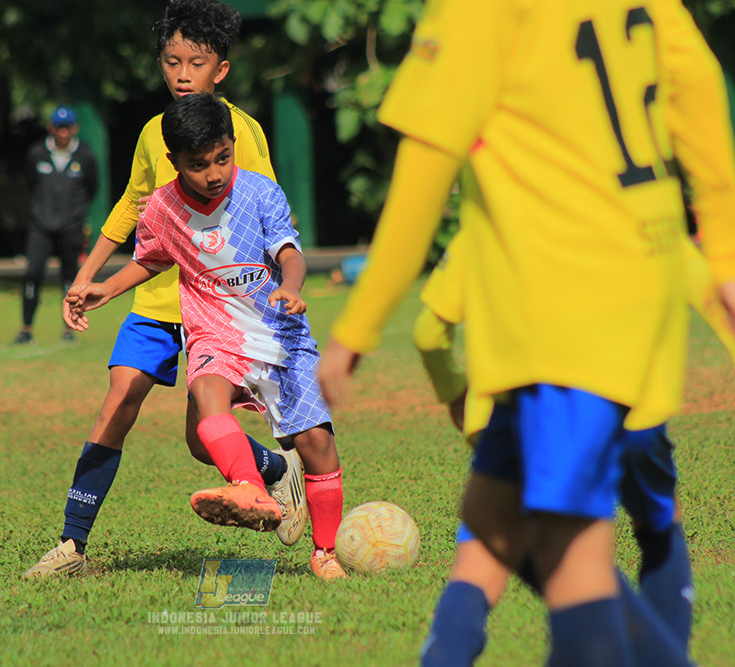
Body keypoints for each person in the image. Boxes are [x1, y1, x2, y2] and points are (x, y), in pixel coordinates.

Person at [318, 0, 735, 663]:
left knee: (572, 562)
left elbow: (424, 172)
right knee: (487, 532)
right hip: (638, 287)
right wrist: (725, 254)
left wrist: (356, 329)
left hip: (562, 309)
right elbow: (703, 85)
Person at [23, 0, 308, 580]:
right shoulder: (157, 132)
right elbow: (133, 202)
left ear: (219, 70)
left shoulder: (240, 132)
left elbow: (269, 214)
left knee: (202, 441)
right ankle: (72, 547)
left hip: (221, 308)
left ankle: (276, 474)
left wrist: (273, 292)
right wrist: (88, 273)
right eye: (172, 62)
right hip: (156, 299)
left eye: (195, 63)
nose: (182, 74)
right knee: (116, 402)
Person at [415, 231, 734, 664]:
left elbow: (430, 332)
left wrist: (454, 391)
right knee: (650, 530)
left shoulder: (489, 224)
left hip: (516, 415)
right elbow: (717, 295)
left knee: (485, 562)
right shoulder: (628, 209)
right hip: (630, 405)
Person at [67, 93, 347, 580]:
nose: (214, 172)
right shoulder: (162, 207)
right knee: (206, 393)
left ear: (232, 145)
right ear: (174, 161)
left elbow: (289, 251)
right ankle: (248, 486)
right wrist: (105, 289)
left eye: (223, 157)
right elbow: (151, 257)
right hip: (214, 330)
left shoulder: (260, 193)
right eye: (199, 165)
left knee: (316, 444)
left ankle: (325, 553)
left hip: (278, 330)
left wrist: (292, 286)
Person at [12, 105, 98, 345]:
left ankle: (69, 329)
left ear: (75, 128)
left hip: (70, 227)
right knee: (32, 274)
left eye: (67, 127)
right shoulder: (36, 153)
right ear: (51, 128)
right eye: (59, 127)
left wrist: (75, 215)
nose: (63, 131)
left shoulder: (85, 155)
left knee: (70, 279)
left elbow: (91, 188)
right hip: (40, 226)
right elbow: (30, 184)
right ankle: (26, 329)